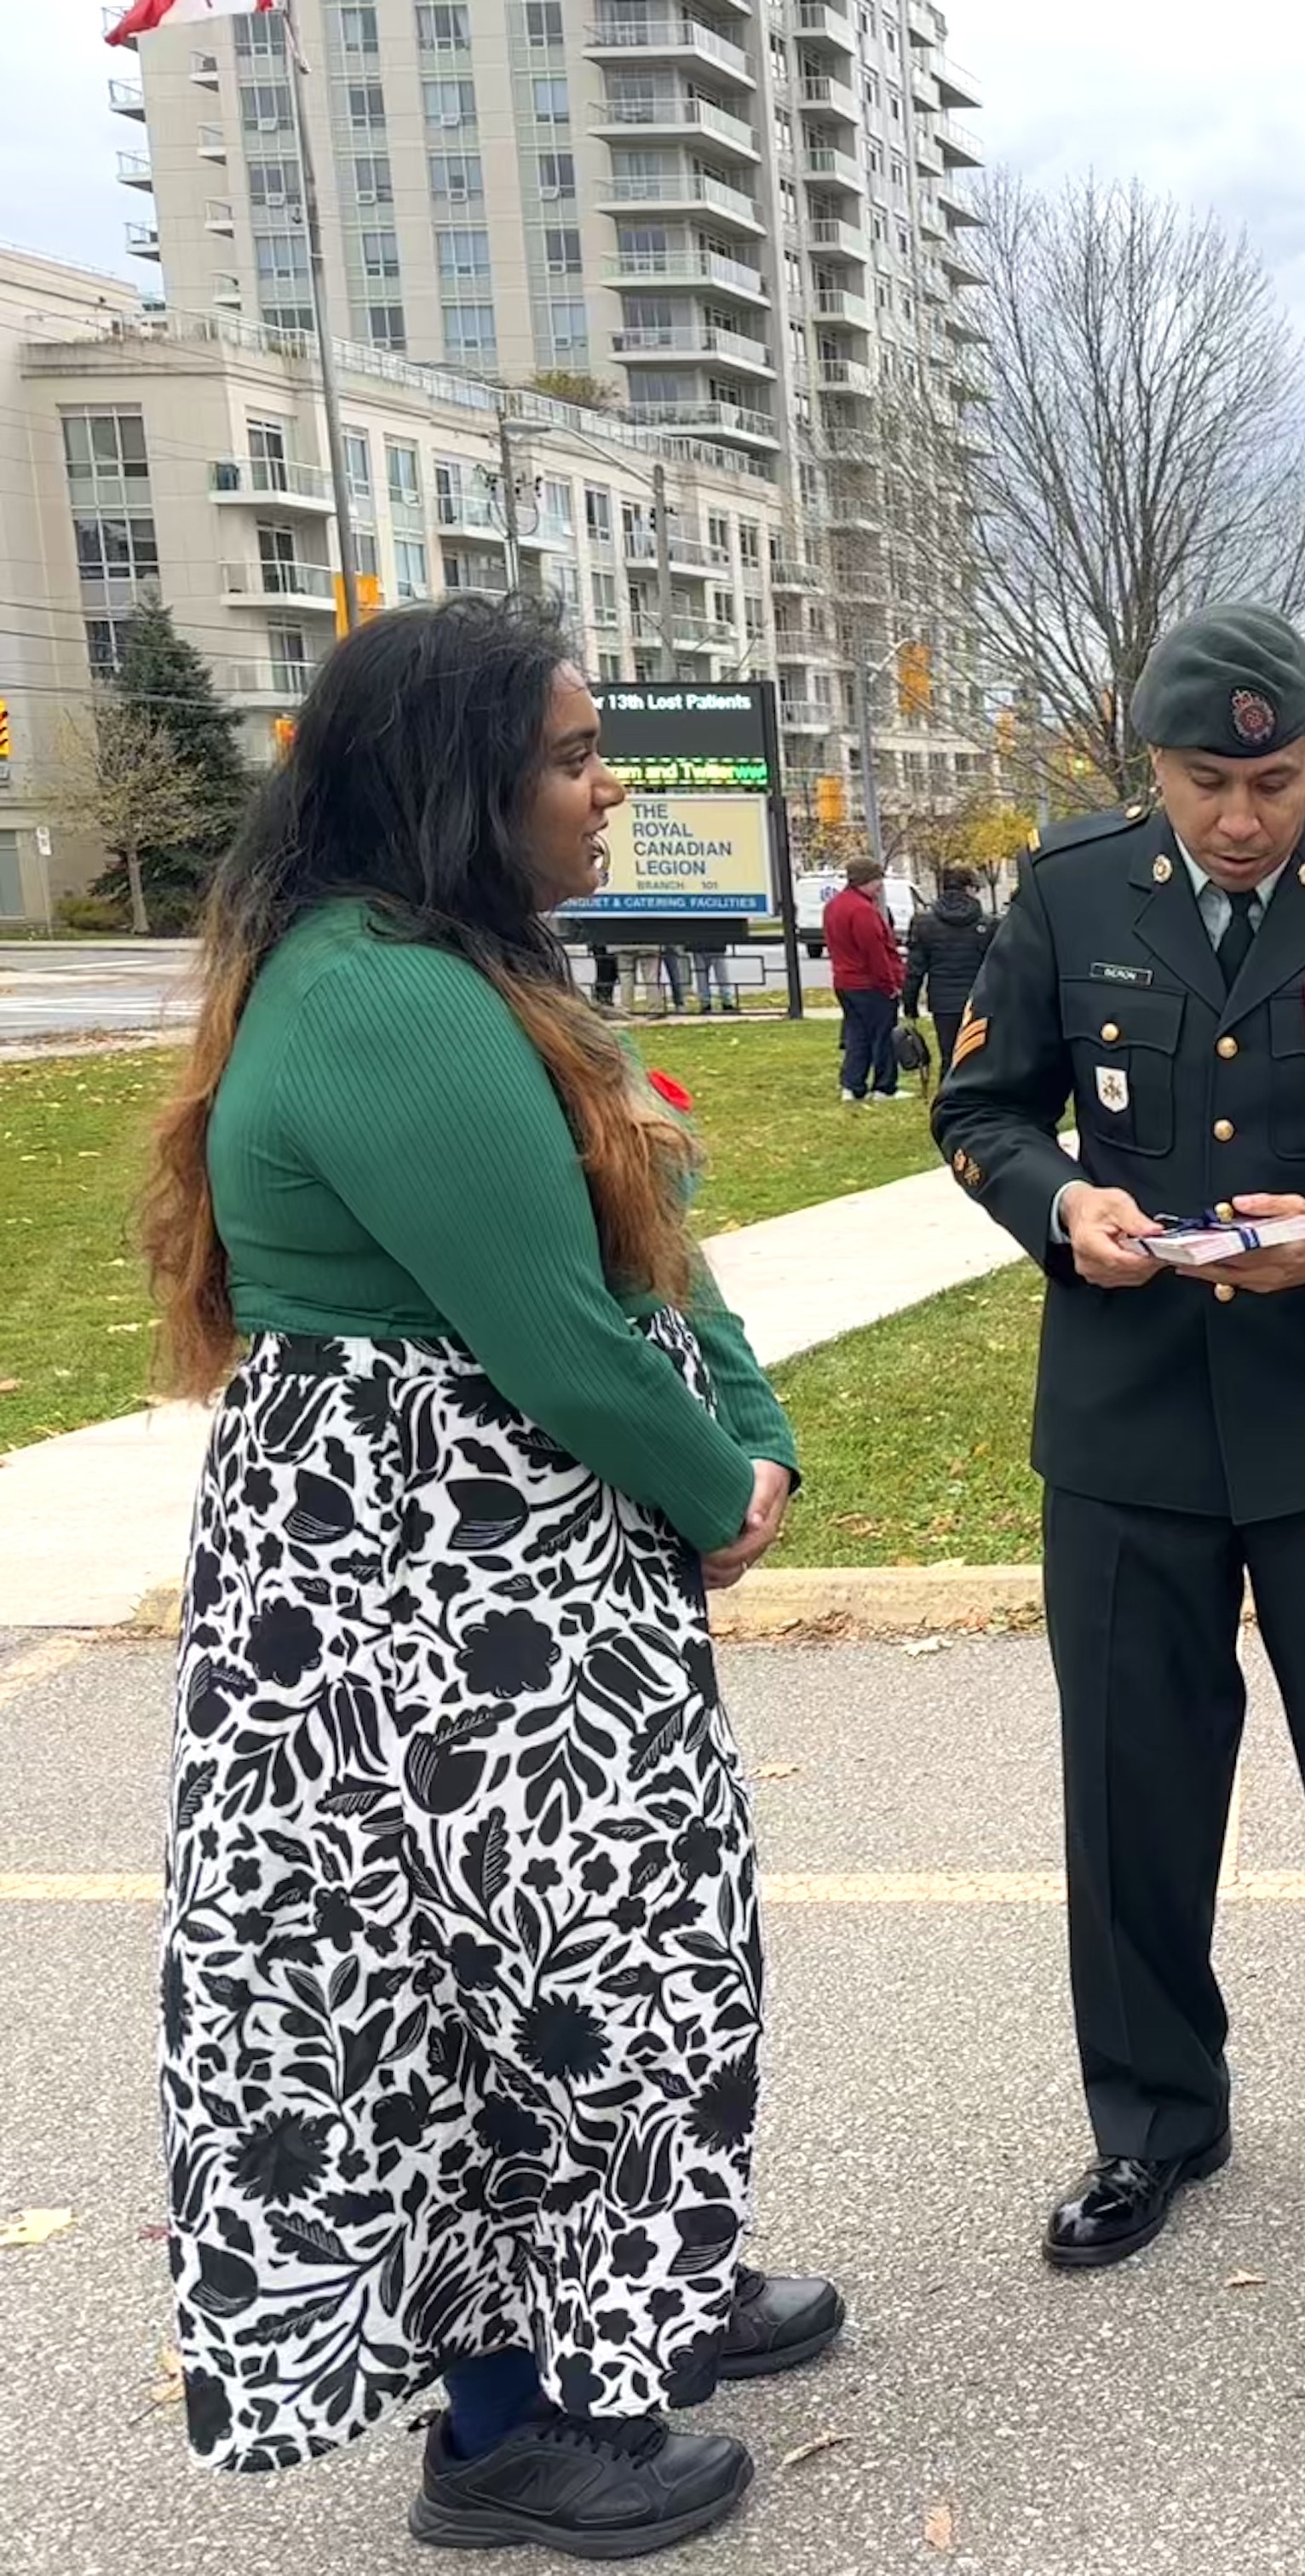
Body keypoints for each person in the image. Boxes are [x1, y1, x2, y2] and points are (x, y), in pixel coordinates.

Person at [131, 595, 841, 2559]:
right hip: (425, 1589)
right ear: (459, 783)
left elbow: (652, 1255)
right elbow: (550, 1331)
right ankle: (512, 2429)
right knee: (495, 1990)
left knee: (594, 1966)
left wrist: (747, 1441)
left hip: (511, 1569)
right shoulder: (377, 999)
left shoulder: (472, 970)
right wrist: (712, 1489)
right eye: (569, 754)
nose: (607, 784)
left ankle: (647, 2299)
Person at [933, 605, 1305, 2266]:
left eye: (1271, 779)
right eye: (1207, 781)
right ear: (1155, 766)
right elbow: (979, 1114)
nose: (1241, 818)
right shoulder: (1069, 893)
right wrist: (1067, 1209)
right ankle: (1151, 2122)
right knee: (1132, 1788)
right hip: (1128, 1415)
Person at [822, 854, 905, 1103]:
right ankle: (884, 1087)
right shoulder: (862, 911)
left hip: (845, 982)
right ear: (867, 880)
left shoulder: (834, 906)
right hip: (869, 984)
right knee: (882, 1036)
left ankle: (852, 1085)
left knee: (857, 1035)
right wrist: (890, 985)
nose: (880, 886)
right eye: (878, 879)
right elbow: (875, 953)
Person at [905, 861, 997, 1072]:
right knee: (977, 1056)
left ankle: (948, 1099)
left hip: (943, 1001)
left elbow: (914, 970)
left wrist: (909, 1003)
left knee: (949, 1055)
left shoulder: (924, 923)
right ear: (970, 888)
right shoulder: (989, 924)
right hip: (979, 999)